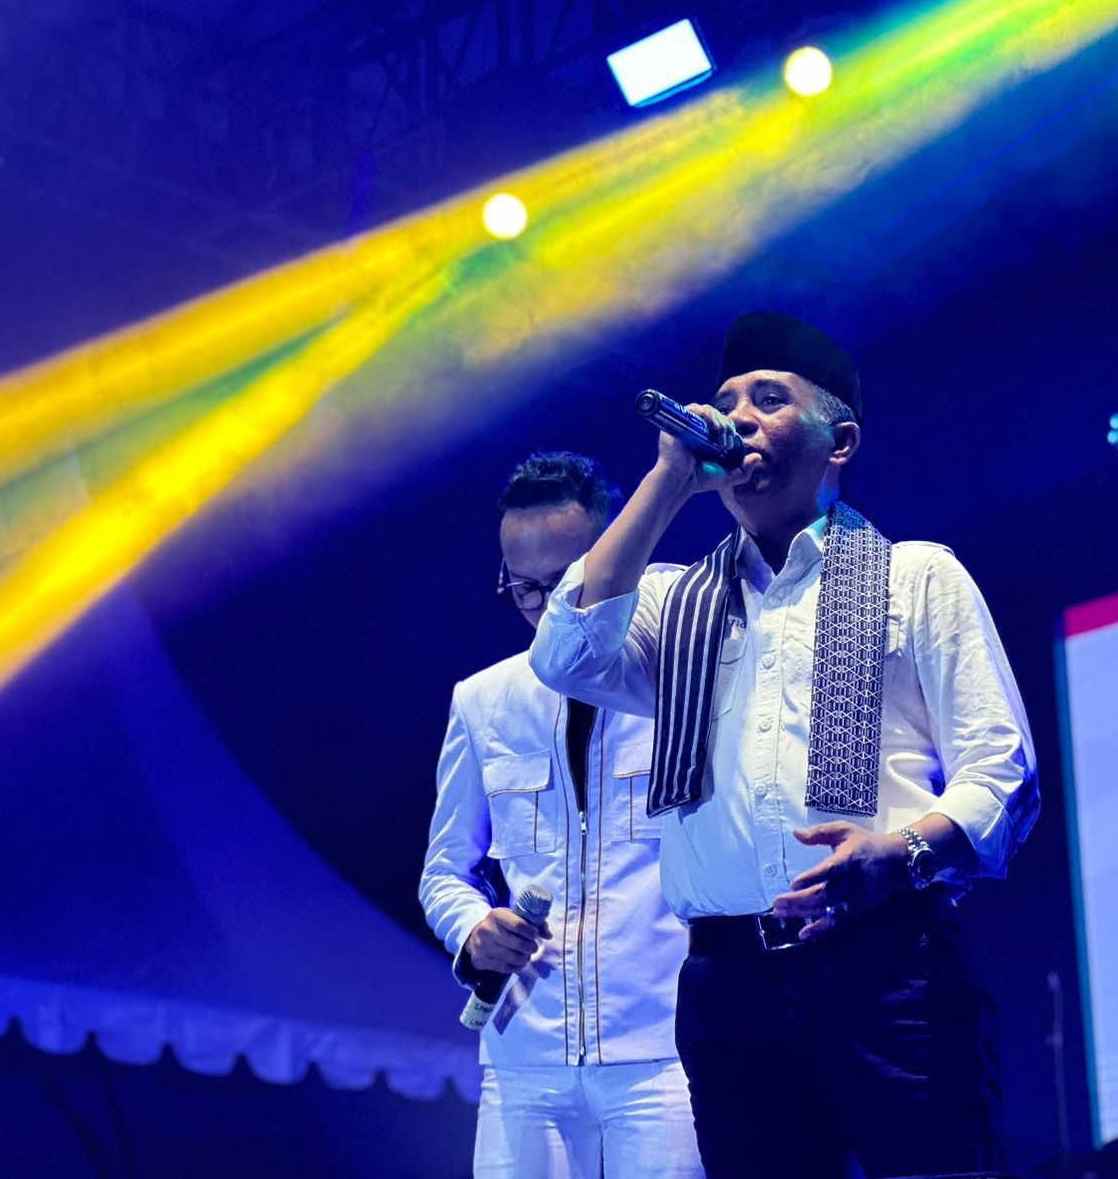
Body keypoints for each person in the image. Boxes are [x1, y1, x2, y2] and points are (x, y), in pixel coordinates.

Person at [530, 312, 1039, 1178]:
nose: (737, 418)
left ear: (840, 441)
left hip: (888, 961)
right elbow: (565, 654)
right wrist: (668, 480)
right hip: (728, 985)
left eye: (769, 399)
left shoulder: (916, 575)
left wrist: (898, 855)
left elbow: (1003, 773)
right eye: (726, 401)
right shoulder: (674, 602)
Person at [420, 452, 703, 1179]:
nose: (546, 606)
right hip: (524, 1054)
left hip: (661, 1051)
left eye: (565, 583)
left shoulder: (684, 683)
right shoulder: (483, 700)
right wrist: (472, 927)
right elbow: (444, 871)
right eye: (524, 587)